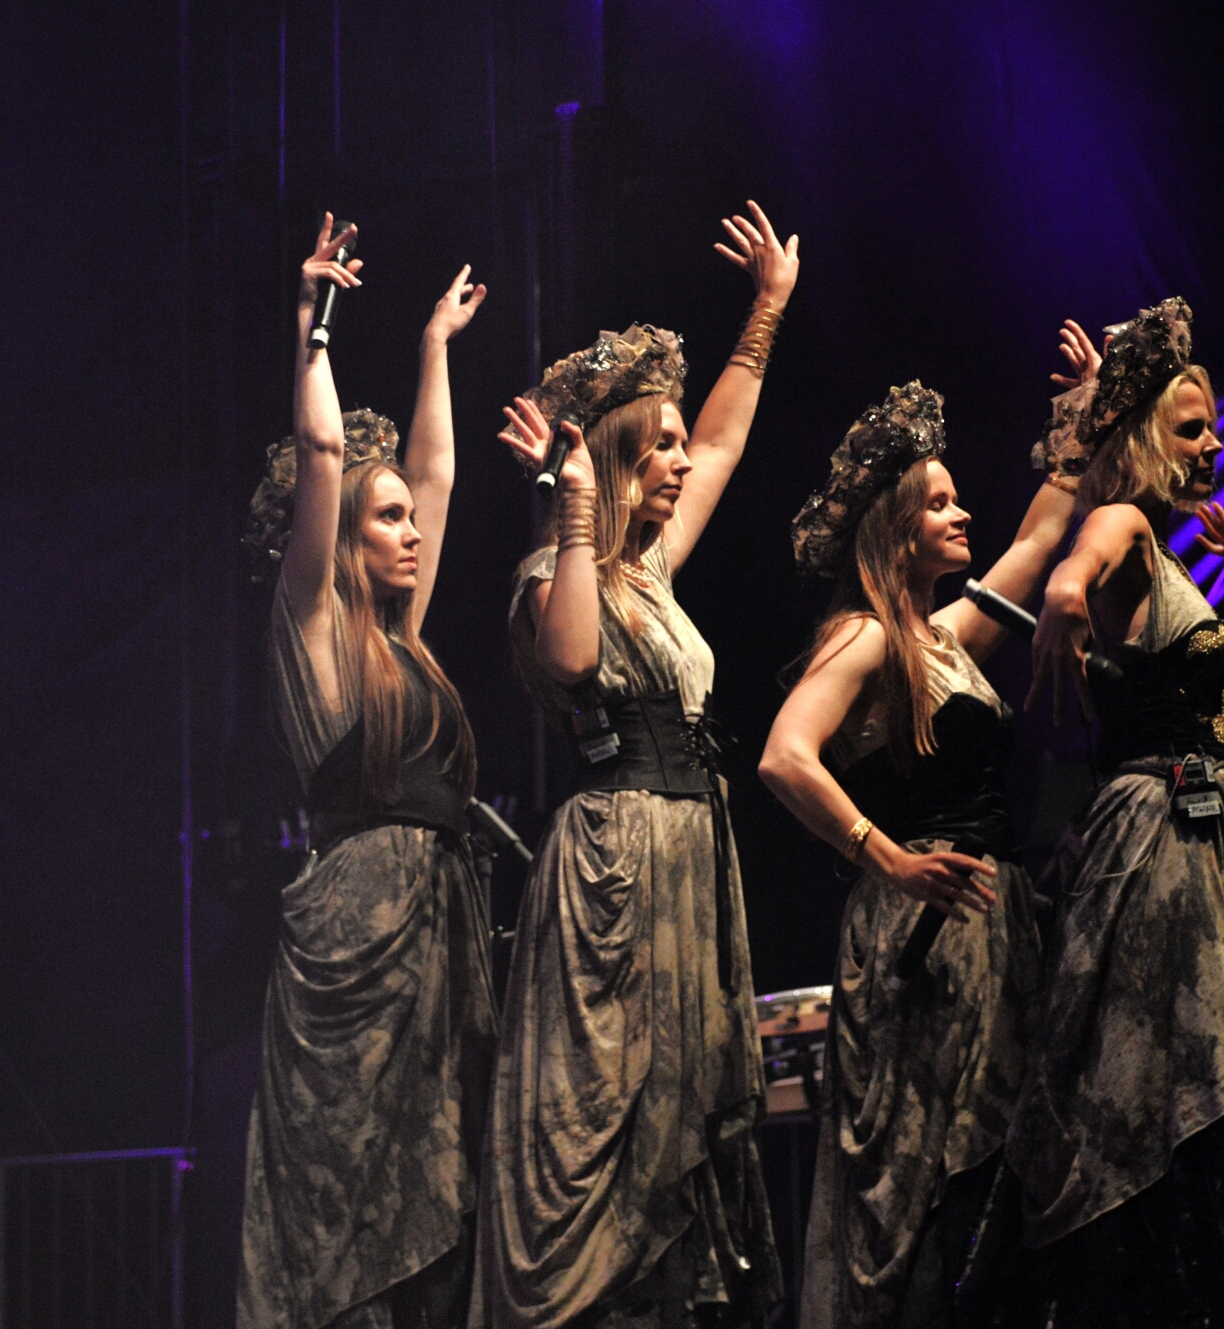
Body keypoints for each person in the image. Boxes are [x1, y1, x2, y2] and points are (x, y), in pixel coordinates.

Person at [475, 201, 800, 1329]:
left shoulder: (651, 571)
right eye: (655, 445)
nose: (679, 459)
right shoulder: (554, 575)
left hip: (688, 855)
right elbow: (573, 660)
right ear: (611, 460)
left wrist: (764, 313)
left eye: (673, 441)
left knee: (679, 1115)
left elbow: (724, 441)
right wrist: (572, 511)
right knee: (603, 1111)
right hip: (614, 863)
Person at [1007, 299, 1224, 1325]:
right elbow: (1076, 567)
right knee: (1178, 1072)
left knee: (1218, 1067)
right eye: (1191, 429)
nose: (1213, 445)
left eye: (1212, 428)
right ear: (1147, 435)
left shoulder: (1176, 557)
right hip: (1160, 840)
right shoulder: (1127, 522)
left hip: (1213, 832)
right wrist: (1063, 604)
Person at [757, 370, 1080, 1329]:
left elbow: (1036, 541)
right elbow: (784, 755)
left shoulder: (943, 638)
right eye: (938, 503)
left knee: (991, 1164)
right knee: (923, 1170)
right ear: (897, 530)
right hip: (921, 932)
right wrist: (889, 858)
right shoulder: (864, 637)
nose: (961, 512)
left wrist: (1083, 418)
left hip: (987, 926)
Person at [239, 216, 495, 1329]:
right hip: (354, 939)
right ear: (342, 536)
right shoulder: (312, 626)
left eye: (409, 522)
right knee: (349, 1198)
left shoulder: (404, 640)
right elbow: (325, 454)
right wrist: (315, 323)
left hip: (437, 931)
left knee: (439, 1197)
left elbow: (433, 475)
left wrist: (435, 347)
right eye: (386, 522)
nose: (410, 532)